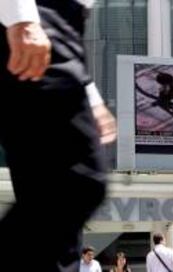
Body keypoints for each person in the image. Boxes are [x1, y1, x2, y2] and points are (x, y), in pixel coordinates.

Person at [0, 1, 116, 271]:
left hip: (60, 23)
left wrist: (89, 93)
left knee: (53, 215)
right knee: (79, 178)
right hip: (38, 16)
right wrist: (21, 17)